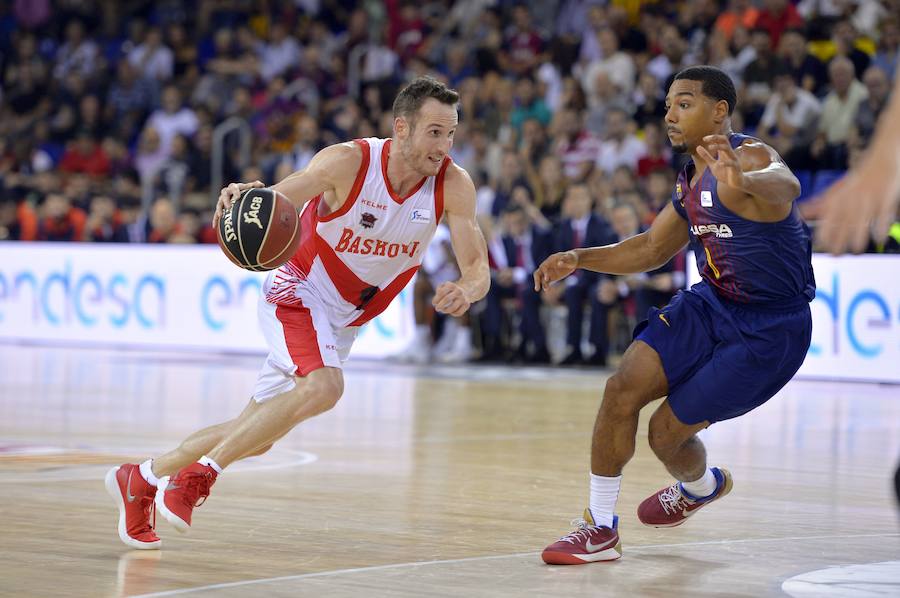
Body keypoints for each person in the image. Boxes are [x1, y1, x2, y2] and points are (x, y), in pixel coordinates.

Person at [105, 76, 490, 549]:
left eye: (451, 133)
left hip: (343, 321)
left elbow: (478, 268)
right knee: (325, 387)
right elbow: (281, 197)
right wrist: (252, 195)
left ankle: (140, 478)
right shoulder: (349, 162)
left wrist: (467, 290)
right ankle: (198, 478)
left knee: (255, 434)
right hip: (299, 288)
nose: (444, 145)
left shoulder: (453, 184)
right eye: (435, 132)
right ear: (402, 127)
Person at [535, 66, 815, 564]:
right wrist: (580, 259)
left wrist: (743, 176)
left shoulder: (748, 156)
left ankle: (701, 486)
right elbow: (648, 249)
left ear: (719, 110)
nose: (670, 114)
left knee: (665, 435)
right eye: (668, 105)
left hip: (770, 329)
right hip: (710, 304)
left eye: (684, 103)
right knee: (621, 387)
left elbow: (785, 184)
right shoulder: (689, 178)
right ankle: (600, 529)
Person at [816, 71, 900, 254]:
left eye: (877, 84)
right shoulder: (862, 106)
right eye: (870, 85)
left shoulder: (888, 108)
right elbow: (854, 135)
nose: (873, 89)